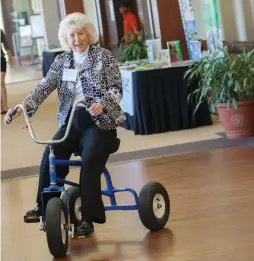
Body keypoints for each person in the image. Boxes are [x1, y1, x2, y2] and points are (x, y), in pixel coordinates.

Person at [4, 13, 126, 237]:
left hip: (99, 123)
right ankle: (43, 207)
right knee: (51, 152)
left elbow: (117, 88)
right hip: (71, 122)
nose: (77, 39)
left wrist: (102, 103)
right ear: (66, 39)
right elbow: (44, 86)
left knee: (90, 160)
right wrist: (24, 106)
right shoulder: (62, 61)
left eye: (81, 33)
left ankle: (88, 219)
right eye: (72, 35)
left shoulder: (103, 57)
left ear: (88, 34)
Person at [1, 29, 14, 114]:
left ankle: (5, 107)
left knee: (1, 83)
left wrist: (10, 57)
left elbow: (6, 45)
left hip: (0, 59)